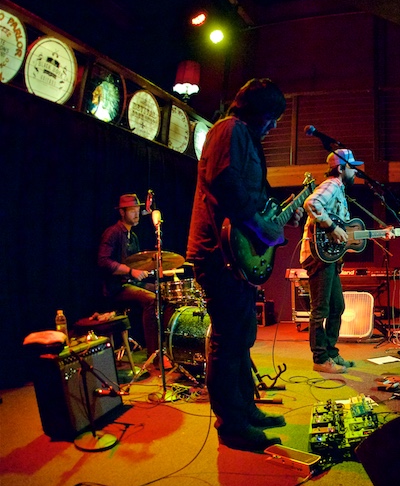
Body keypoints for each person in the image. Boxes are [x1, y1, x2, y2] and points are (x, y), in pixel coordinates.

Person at [187, 78, 300, 452]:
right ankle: (232, 425)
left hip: (233, 256)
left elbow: (252, 197)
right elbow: (225, 184)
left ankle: (246, 410)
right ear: (257, 110)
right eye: (273, 116)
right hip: (217, 254)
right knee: (228, 339)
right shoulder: (230, 130)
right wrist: (261, 228)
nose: (276, 125)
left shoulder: (244, 136)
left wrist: (278, 217)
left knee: (243, 337)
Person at [300, 148, 367, 374]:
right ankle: (320, 359)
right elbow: (311, 203)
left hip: (328, 257)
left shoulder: (340, 191)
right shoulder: (332, 185)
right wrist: (331, 227)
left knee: (337, 306)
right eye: (352, 167)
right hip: (317, 256)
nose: (355, 172)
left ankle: (330, 352)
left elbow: (343, 231)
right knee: (321, 309)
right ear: (340, 168)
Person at [97, 193, 160, 358]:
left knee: (161, 291)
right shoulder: (113, 233)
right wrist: (131, 271)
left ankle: (166, 347)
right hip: (116, 288)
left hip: (130, 284)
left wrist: (149, 269)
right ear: (122, 212)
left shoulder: (134, 237)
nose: (137, 214)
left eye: (138, 210)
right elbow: (103, 261)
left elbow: (136, 265)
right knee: (151, 300)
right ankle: (154, 354)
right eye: (132, 210)